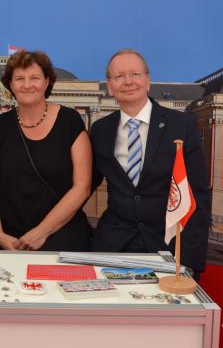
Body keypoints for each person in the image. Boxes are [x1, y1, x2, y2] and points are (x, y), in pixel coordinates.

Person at [90, 49, 210, 278]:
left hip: (167, 247)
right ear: (110, 86)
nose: (128, 81)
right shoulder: (101, 130)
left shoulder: (181, 125)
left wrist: (190, 262)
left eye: (135, 73)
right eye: (119, 76)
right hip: (112, 246)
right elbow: (85, 184)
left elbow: (198, 197)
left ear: (147, 80)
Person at [0, 51, 93, 251]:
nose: (27, 84)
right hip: (6, 235)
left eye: (34, 78)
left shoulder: (70, 121)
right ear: (11, 85)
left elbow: (82, 186)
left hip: (61, 232)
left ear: (46, 82)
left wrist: (41, 232)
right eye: (19, 79)